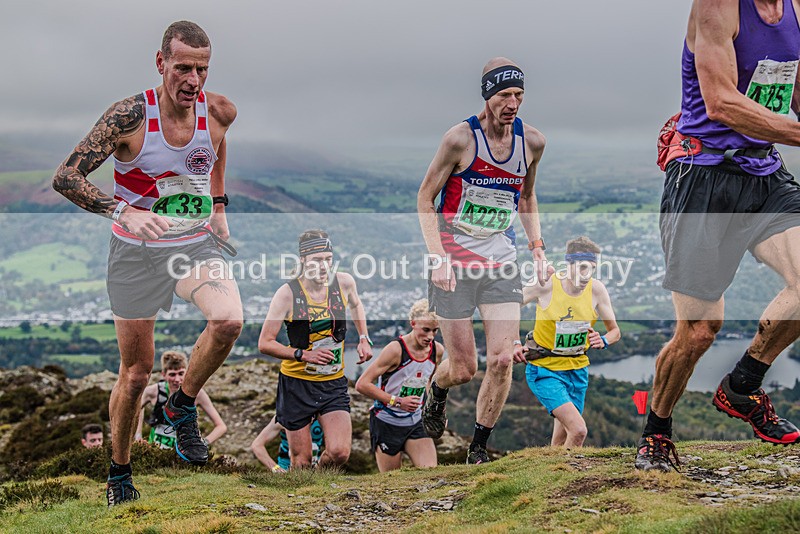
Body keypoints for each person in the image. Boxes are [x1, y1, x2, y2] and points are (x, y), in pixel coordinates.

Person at [52, 21, 243, 505]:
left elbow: (216, 149)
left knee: (228, 321)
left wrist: (218, 209)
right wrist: (124, 211)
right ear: (161, 64)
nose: (193, 80)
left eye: (201, 69)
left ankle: (180, 408)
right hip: (134, 255)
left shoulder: (220, 111)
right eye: (183, 68)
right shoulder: (129, 117)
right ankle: (119, 473)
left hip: (191, 245)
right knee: (135, 374)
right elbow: (66, 177)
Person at [642, 0, 800, 471]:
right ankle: (656, 432)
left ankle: (743, 384)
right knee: (698, 332)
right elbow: (721, 101)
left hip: (762, 173)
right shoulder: (718, 6)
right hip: (702, 175)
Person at [417, 57, 551, 464]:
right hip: (454, 264)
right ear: (487, 96)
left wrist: (538, 249)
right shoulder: (459, 140)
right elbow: (425, 199)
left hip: (501, 263)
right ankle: (436, 390)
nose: (512, 103)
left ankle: (478, 447)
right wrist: (437, 257)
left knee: (501, 359)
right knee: (463, 368)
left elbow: (526, 197)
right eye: (504, 94)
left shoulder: (532, 142)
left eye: (519, 95)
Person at [258, 230, 373, 469]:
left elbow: (356, 304)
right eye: (317, 260)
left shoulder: (343, 282)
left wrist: (363, 337)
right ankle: (304, 500)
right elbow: (265, 343)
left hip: (332, 381)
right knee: (301, 460)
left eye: (328, 259)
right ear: (303, 260)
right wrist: (303, 354)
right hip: (296, 383)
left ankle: (318, 481)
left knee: (340, 452)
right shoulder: (287, 294)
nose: (324, 266)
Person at [518, 237, 620, 448]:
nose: (587, 275)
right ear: (569, 264)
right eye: (582, 268)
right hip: (544, 369)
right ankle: (567, 473)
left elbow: (615, 332)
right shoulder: (545, 286)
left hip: (577, 371)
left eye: (592, 268)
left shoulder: (597, 290)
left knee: (562, 438)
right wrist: (512, 342)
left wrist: (602, 340)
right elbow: (507, 307)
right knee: (578, 430)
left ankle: (551, 475)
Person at [356, 299, 443, 472]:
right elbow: (362, 384)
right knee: (392, 482)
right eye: (425, 330)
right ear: (413, 324)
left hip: (416, 421)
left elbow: (430, 383)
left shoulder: (437, 351)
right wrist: (397, 401)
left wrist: (434, 411)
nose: (430, 337)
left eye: (435, 330)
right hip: (387, 421)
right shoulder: (395, 350)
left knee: (430, 473)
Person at [135, 351, 227, 449]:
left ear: (187, 373)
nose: (177, 379)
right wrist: (138, 435)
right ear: (164, 375)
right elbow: (136, 408)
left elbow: (221, 426)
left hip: (184, 450)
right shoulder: (153, 391)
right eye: (172, 375)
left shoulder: (198, 394)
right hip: (155, 447)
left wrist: (203, 443)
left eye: (181, 373)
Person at [250, 415, 325, 473]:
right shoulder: (283, 416)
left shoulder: (324, 416)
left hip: (316, 471)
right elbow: (257, 445)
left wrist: (320, 465)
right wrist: (275, 468)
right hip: (286, 470)